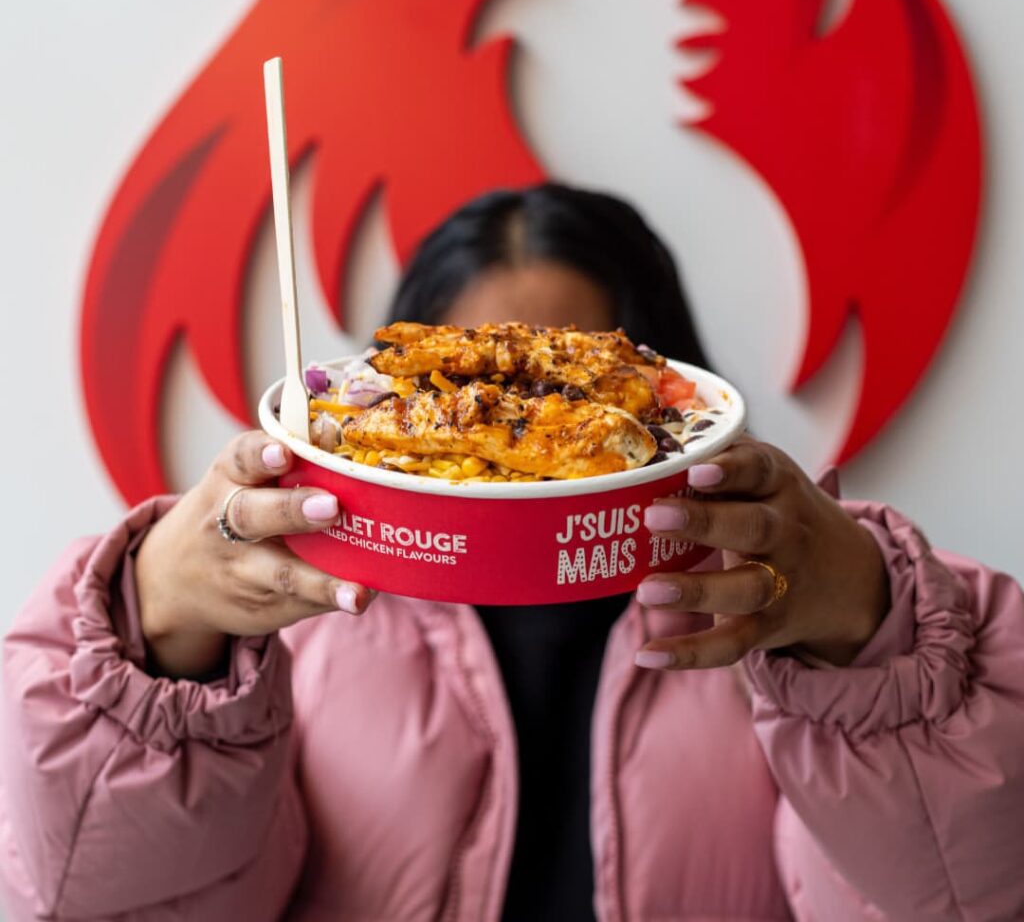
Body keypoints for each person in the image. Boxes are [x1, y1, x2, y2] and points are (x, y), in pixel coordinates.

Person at [2, 183, 1022, 922]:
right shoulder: (298, 610)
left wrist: (878, 645)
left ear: (668, 384)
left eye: (569, 384)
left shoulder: (790, 606)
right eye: (476, 391)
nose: (518, 431)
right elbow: (88, 894)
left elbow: (959, 887)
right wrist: (154, 643)